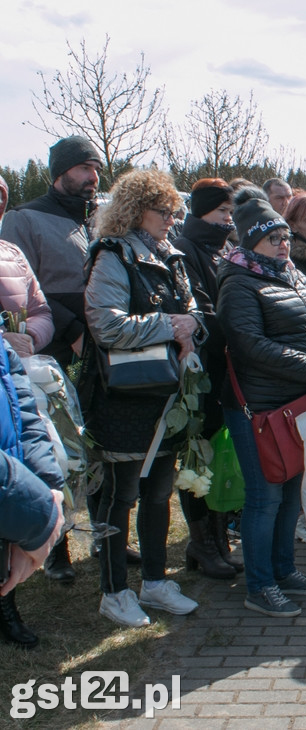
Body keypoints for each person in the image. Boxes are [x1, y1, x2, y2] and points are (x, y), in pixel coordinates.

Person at [82, 169, 207, 627]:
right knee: (121, 494)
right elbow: (106, 325)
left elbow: (191, 310)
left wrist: (192, 327)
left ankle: (154, 582)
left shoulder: (169, 254)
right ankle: (114, 591)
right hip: (122, 400)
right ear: (136, 211)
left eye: (176, 211)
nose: (172, 220)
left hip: (164, 394)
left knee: (158, 493)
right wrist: (170, 326)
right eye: (164, 211)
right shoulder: (112, 255)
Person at [218, 197, 306, 617]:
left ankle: (284, 570)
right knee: (264, 498)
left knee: (291, 494)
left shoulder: (292, 274)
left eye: (285, 236)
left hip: (296, 401)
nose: (284, 244)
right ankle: (260, 584)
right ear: (253, 242)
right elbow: (250, 345)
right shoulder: (238, 282)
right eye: (274, 238)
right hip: (258, 407)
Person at [1, 135, 103, 584]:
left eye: (95, 169)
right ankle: (54, 546)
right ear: (58, 172)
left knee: (90, 446)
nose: (91, 177)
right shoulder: (24, 219)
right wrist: (71, 330)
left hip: (94, 344)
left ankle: (100, 535)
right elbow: (29, 293)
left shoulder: (93, 221)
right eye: (82, 168)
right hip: (50, 352)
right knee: (54, 446)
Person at [171, 178, 241, 579]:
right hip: (202, 365)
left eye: (231, 214)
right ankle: (201, 541)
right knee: (198, 452)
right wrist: (237, 330)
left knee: (217, 450)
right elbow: (199, 308)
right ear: (201, 212)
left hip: (226, 364)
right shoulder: (187, 249)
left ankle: (217, 536)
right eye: (221, 213)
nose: (227, 220)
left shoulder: (225, 249)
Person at [0, 340, 66, 648]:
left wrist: (50, 487)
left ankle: (7, 609)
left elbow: (27, 416)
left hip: (12, 482)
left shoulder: (2, 345)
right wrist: (39, 514)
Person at [0, 177, 54, 358]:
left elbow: (41, 313)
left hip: (14, 379)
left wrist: (29, 336)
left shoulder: (13, 255)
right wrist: (4, 343)